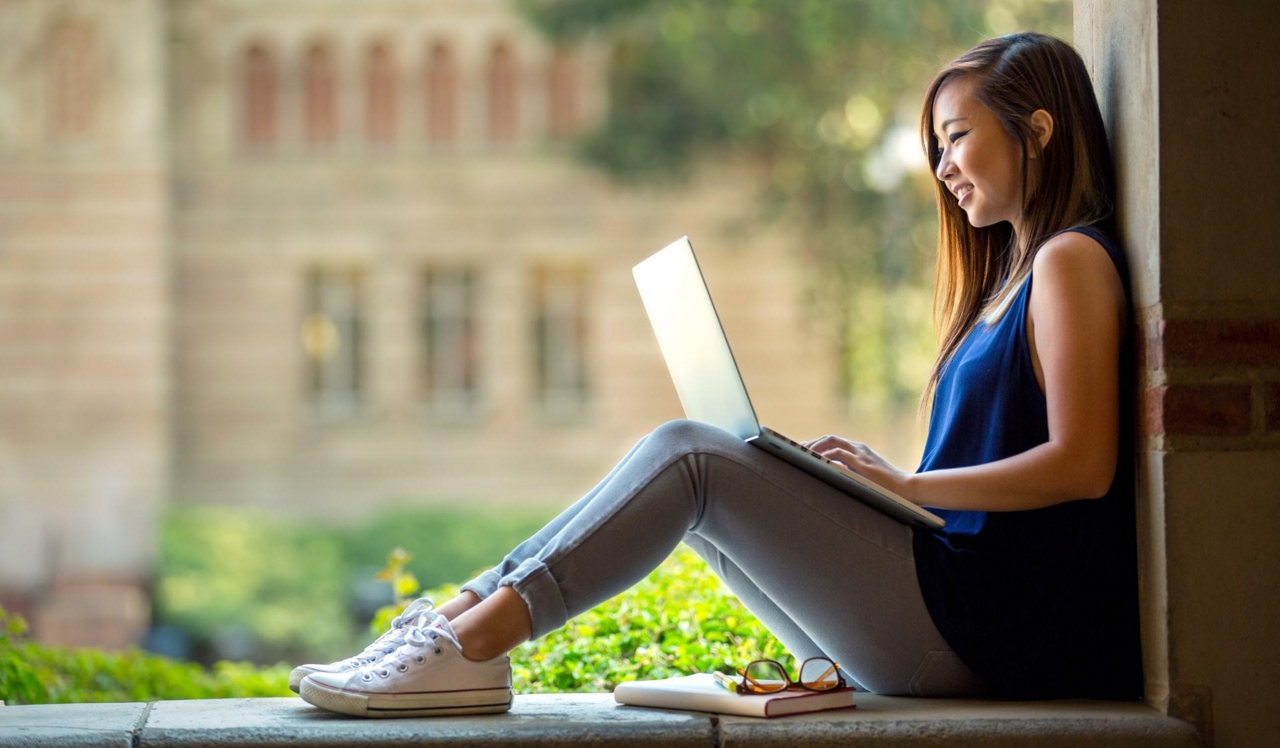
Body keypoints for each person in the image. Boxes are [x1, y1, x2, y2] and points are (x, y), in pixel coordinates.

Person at [292, 32, 1143, 717]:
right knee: (710, 494)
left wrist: (910, 484)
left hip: (986, 631)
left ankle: (474, 649)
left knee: (692, 457)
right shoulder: (1011, 281)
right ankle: (451, 621)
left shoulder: (1070, 261)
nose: (943, 165)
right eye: (936, 145)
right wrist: (875, 490)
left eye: (957, 136)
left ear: (1038, 129)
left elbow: (1084, 463)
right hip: (960, 615)